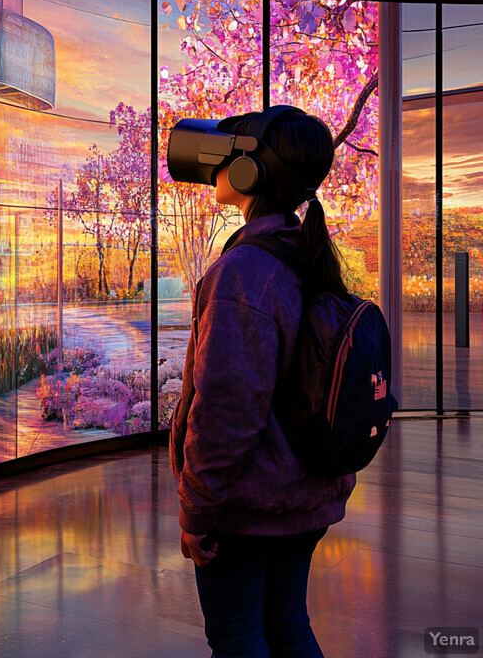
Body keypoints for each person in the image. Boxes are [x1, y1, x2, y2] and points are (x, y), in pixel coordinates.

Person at [169, 108, 356, 658]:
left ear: (250, 172)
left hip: (249, 508)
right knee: (286, 625)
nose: (215, 162)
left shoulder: (243, 272)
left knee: (239, 640)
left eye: (230, 153)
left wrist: (198, 508)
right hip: (305, 493)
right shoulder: (308, 255)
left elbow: (227, 412)